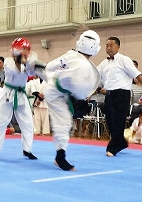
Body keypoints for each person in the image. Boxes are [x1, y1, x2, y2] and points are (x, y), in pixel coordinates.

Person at [41, 30, 101, 170]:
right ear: (95, 50)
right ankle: (60, 157)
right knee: (64, 122)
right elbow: (80, 92)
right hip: (56, 93)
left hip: (56, 88)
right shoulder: (84, 67)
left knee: (64, 122)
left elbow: (49, 66)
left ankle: (60, 155)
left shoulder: (71, 54)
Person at [0, 37, 37, 161]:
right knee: (0, 120)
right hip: (8, 94)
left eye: (26, 50)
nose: (25, 52)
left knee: (27, 122)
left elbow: (31, 74)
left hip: (21, 94)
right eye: (22, 50)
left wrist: (31, 63)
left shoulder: (28, 61)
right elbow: (17, 70)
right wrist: (24, 62)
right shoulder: (8, 62)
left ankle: (27, 150)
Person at [97, 36, 142, 157]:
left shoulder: (124, 60)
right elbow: (95, 74)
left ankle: (113, 147)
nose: (108, 48)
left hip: (122, 94)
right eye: (107, 45)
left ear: (118, 47)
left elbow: (137, 75)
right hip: (109, 95)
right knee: (110, 122)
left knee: (118, 121)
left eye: (111, 45)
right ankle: (121, 142)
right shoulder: (104, 63)